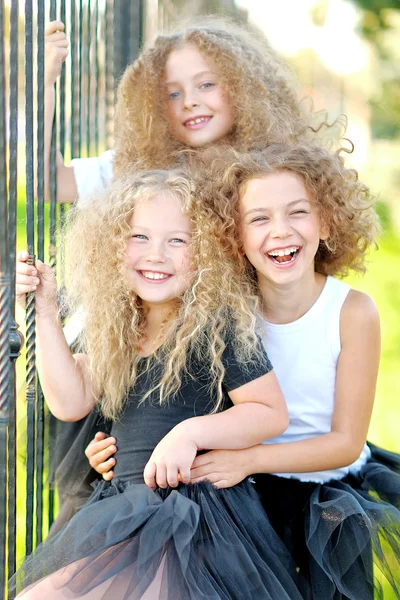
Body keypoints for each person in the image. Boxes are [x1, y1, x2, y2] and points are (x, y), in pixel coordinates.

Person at [89, 143, 400, 599]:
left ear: (327, 220)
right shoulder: (221, 308)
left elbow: (345, 442)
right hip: (237, 491)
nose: (280, 231)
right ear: (232, 236)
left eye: (298, 213)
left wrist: (249, 459)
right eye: (258, 219)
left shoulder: (351, 311)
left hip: (323, 494)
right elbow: (170, 393)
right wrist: (122, 449)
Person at [12, 169, 305, 600]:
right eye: (139, 238)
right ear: (113, 248)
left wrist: (190, 433)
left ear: (205, 253)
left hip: (193, 517)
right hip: (123, 507)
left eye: (178, 241)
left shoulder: (216, 326)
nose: (157, 255)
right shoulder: (119, 329)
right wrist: (45, 308)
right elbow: (69, 401)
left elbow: (269, 412)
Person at [43, 17, 317, 204]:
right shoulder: (140, 167)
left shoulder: (276, 166)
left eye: (206, 84)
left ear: (241, 87)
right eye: (172, 93)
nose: (189, 101)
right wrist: (45, 82)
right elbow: (49, 184)